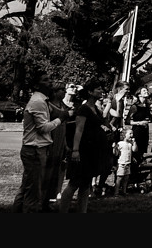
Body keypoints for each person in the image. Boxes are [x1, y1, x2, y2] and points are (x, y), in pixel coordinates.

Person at [12, 72, 66, 213]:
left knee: (27, 187)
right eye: (46, 80)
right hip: (35, 150)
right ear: (37, 85)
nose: (50, 82)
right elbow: (43, 128)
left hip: (34, 149)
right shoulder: (38, 101)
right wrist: (60, 119)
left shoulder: (42, 100)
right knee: (33, 192)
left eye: (50, 79)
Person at [60, 81, 108, 213]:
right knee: (74, 183)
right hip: (82, 150)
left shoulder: (96, 109)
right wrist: (75, 150)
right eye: (98, 88)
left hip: (93, 151)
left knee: (86, 184)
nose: (101, 91)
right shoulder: (83, 109)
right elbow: (78, 130)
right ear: (90, 92)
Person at [43, 82, 70, 211]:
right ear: (54, 92)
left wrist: (65, 144)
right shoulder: (49, 106)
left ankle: (49, 200)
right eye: (61, 90)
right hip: (50, 141)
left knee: (56, 171)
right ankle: (42, 200)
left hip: (60, 142)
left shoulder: (63, 106)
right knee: (46, 172)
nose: (64, 92)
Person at [128, 86, 152, 156]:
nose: (146, 92)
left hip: (145, 131)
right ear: (139, 94)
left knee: (142, 153)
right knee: (135, 153)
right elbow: (127, 121)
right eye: (144, 91)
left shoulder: (147, 106)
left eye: (147, 90)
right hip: (137, 131)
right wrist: (139, 123)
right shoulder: (134, 107)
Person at [115, 128, 136, 196]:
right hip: (121, 164)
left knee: (126, 178)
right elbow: (116, 153)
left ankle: (124, 191)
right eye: (130, 133)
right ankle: (116, 193)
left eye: (132, 133)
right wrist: (114, 148)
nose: (132, 135)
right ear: (124, 135)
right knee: (119, 178)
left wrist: (134, 143)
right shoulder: (120, 143)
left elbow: (134, 150)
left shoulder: (130, 144)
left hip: (128, 164)